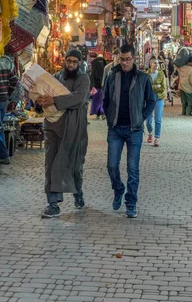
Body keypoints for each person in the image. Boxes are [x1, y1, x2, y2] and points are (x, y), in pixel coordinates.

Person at [103, 44, 156, 218]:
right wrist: (110, 117)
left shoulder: (143, 78)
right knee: (112, 166)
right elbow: (105, 100)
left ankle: (131, 202)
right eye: (121, 59)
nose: (124, 63)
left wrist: (141, 117)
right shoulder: (112, 76)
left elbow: (151, 101)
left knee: (133, 169)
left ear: (134, 59)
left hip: (134, 130)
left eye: (127, 59)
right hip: (116, 129)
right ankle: (118, 189)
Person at [36, 49, 90, 218]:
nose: (71, 65)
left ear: (79, 63)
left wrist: (55, 100)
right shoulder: (55, 78)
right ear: (64, 61)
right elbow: (43, 95)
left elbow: (79, 98)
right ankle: (53, 204)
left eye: (74, 62)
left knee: (74, 164)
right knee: (51, 164)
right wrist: (40, 101)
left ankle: (77, 191)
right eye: (69, 61)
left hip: (74, 127)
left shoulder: (83, 79)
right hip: (52, 127)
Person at [146, 57, 167, 147]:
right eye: (154, 63)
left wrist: (153, 87)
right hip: (149, 99)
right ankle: (150, 133)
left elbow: (163, 87)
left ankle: (157, 137)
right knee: (148, 120)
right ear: (150, 64)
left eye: (157, 63)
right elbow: (145, 88)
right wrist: (156, 86)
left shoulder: (161, 74)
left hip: (159, 98)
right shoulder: (146, 75)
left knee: (158, 119)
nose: (156, 64)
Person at [89, 53, 107, 118]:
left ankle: (99, 114)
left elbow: (92, 77)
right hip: (101, 87)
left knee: (97, 101)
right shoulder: (105, 65)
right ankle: (101, 113)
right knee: (101, 101)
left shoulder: (95, 66)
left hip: (97, 87)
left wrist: (92, 86)